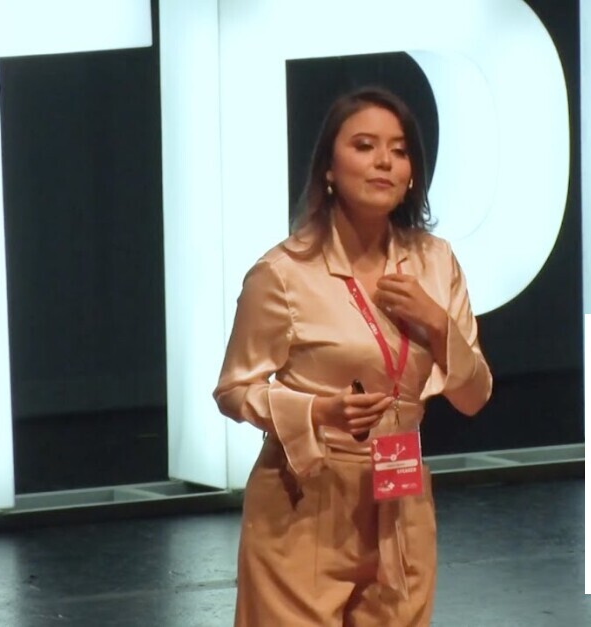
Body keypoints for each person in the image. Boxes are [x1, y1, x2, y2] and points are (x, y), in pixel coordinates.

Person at [213, 86, 493, 627]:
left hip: (402, 493)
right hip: (304, 494)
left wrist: (437, 324)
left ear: (412, 173)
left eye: (400, 150)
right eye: (364, 146)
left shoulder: (435, 262)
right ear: (329, 168)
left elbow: (474, 396)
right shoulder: (283, 273)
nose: (385, 160)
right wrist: (316, 412)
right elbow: (233, 390)